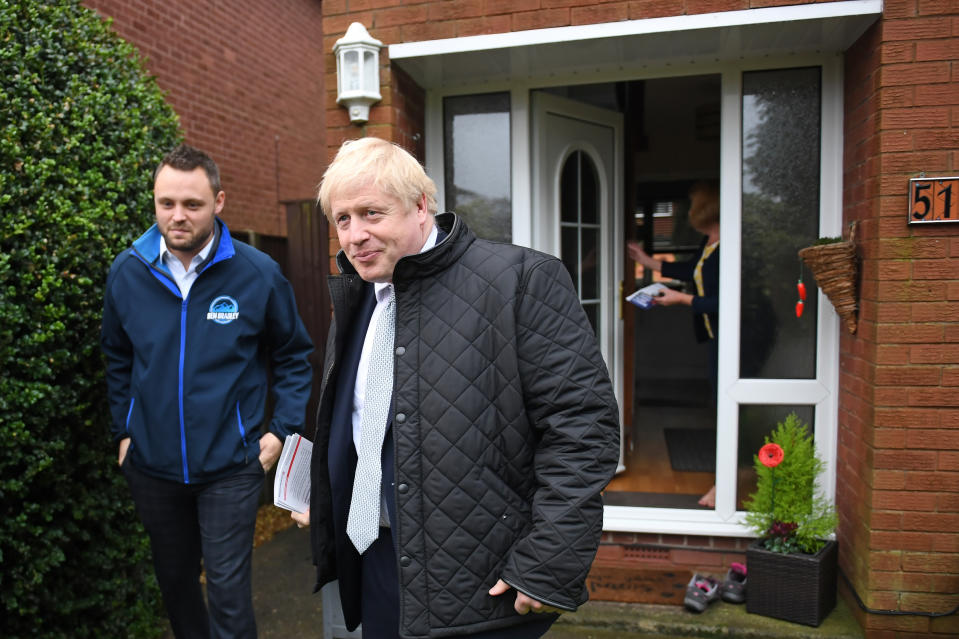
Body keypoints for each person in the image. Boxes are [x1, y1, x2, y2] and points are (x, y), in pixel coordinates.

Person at [291, 137, 620, 638]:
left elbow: (583, 429)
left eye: (371, 214)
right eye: (342, 220)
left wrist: (547, 562)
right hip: (377, 561)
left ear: (421, 205)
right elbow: (362, 423)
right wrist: (328, 499)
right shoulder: (359, 296)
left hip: (484, 582)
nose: (354, 236)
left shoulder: (521, 280)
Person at [101, 143, 314, 639]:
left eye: (192, 205)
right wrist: (124, 433)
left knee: (229, 597)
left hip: (231, 467)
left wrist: (281, 431)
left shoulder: (257, 273)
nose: (177, 216)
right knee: (176, 587)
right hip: (152, 467)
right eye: (166, 203)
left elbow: (293, 355)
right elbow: (117, 356)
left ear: (219, 202)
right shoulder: (128, 271)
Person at [627, 180, 719, 507]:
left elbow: (729, 302)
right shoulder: (710, 242)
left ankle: (723, 486)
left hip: (739, 339)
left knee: (726, 405)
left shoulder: (728, 245)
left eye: (693, 206)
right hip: (713, 335)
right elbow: (689, 270)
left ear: (707, 209)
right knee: (717, 400)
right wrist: (647, 261)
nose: (689, 213)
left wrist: (682, 299)